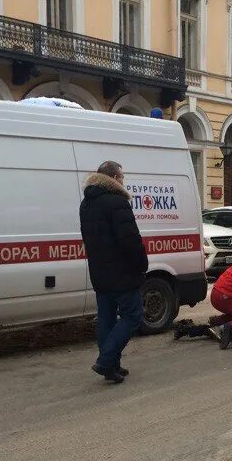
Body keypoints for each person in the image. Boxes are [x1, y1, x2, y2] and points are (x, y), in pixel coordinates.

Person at [79, 160, 148, 383]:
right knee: (133, 316)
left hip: (100, 271)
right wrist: (141, 263)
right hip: (123, 273)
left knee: (107, 320)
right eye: (122, 177)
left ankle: (112, 366)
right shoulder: (117, 202)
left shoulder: (86, 203)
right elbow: (130, 240)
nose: (123, 181)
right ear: (115, 179)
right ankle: (106, 360)